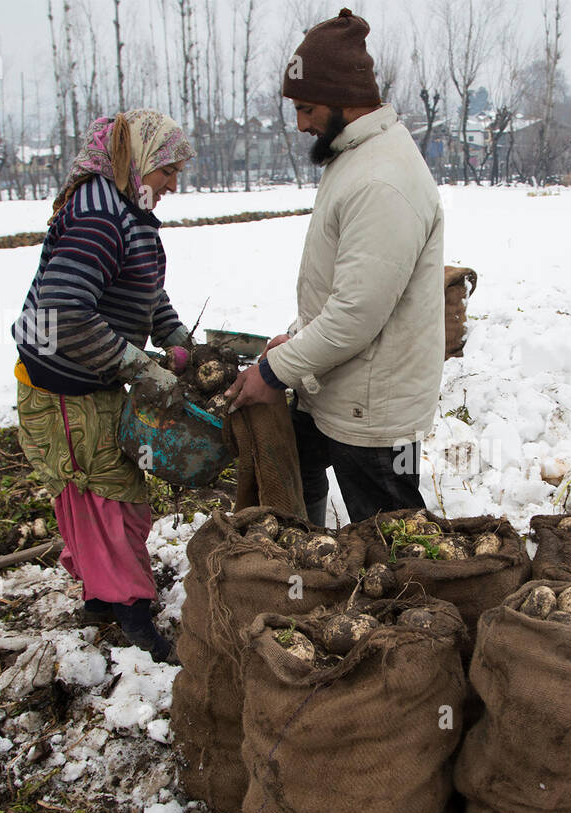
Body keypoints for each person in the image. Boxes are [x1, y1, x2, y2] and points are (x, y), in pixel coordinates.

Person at [226, 8, 445, 527]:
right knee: (296, 486)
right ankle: (314, 570)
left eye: (306, 108)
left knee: (394, 538)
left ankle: (413, 606)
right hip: (341, 393)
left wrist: (271, 372)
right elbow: (343, 287)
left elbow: (354, 315)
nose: (301, 124)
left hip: (373, 415)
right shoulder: (357, 158)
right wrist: (296, 338)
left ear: (346, 100)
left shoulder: (381, 180)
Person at [10, 109, 196, 661]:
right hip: (61, 390)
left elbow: (139, 284)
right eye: (169, 171)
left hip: (92, 382)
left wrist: (172, 332)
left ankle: (102, 595)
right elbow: (64, 312)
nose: (172, 185)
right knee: (107, 498)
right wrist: (140, 368)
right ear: (141, 161)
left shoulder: (127, 209)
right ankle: (132, 614)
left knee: (106, 494)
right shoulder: (98, 215)